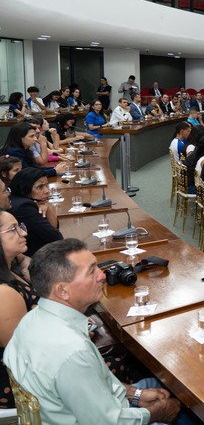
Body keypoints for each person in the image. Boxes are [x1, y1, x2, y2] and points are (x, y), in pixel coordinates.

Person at [5, 239, 182, 424]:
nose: (102, 275)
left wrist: (135, 395)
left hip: (73, 411)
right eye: (91, 271)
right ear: (62, 291)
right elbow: (108, 422)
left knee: (160, 386)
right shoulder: (72, 352)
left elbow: (91, 385)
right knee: (185, 406)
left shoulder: (31, 321)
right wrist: (156, 414)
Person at [0, 208, 37, 410]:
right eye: (13, 229)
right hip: (19, 391)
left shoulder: (10, 269)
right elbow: (25, 356)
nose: (23, 233)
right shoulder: (3, 293)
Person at [9, 168, 63, 257]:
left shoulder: (20, 200)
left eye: (46, 185)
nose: (47, 191)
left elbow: (54, 227)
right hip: (37, 257)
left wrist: (47, 206)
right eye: (40, 187)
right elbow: (55, 236)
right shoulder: (24, 207)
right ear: (25, 187)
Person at [0, 123, 67, 177]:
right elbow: (26, 174)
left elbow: (33, 168)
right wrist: (54, 171)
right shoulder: (14, 152)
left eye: (35, 136)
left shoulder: (25, 149)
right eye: (31, 136)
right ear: (20, 137)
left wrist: (54, 168)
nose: (35, 139)